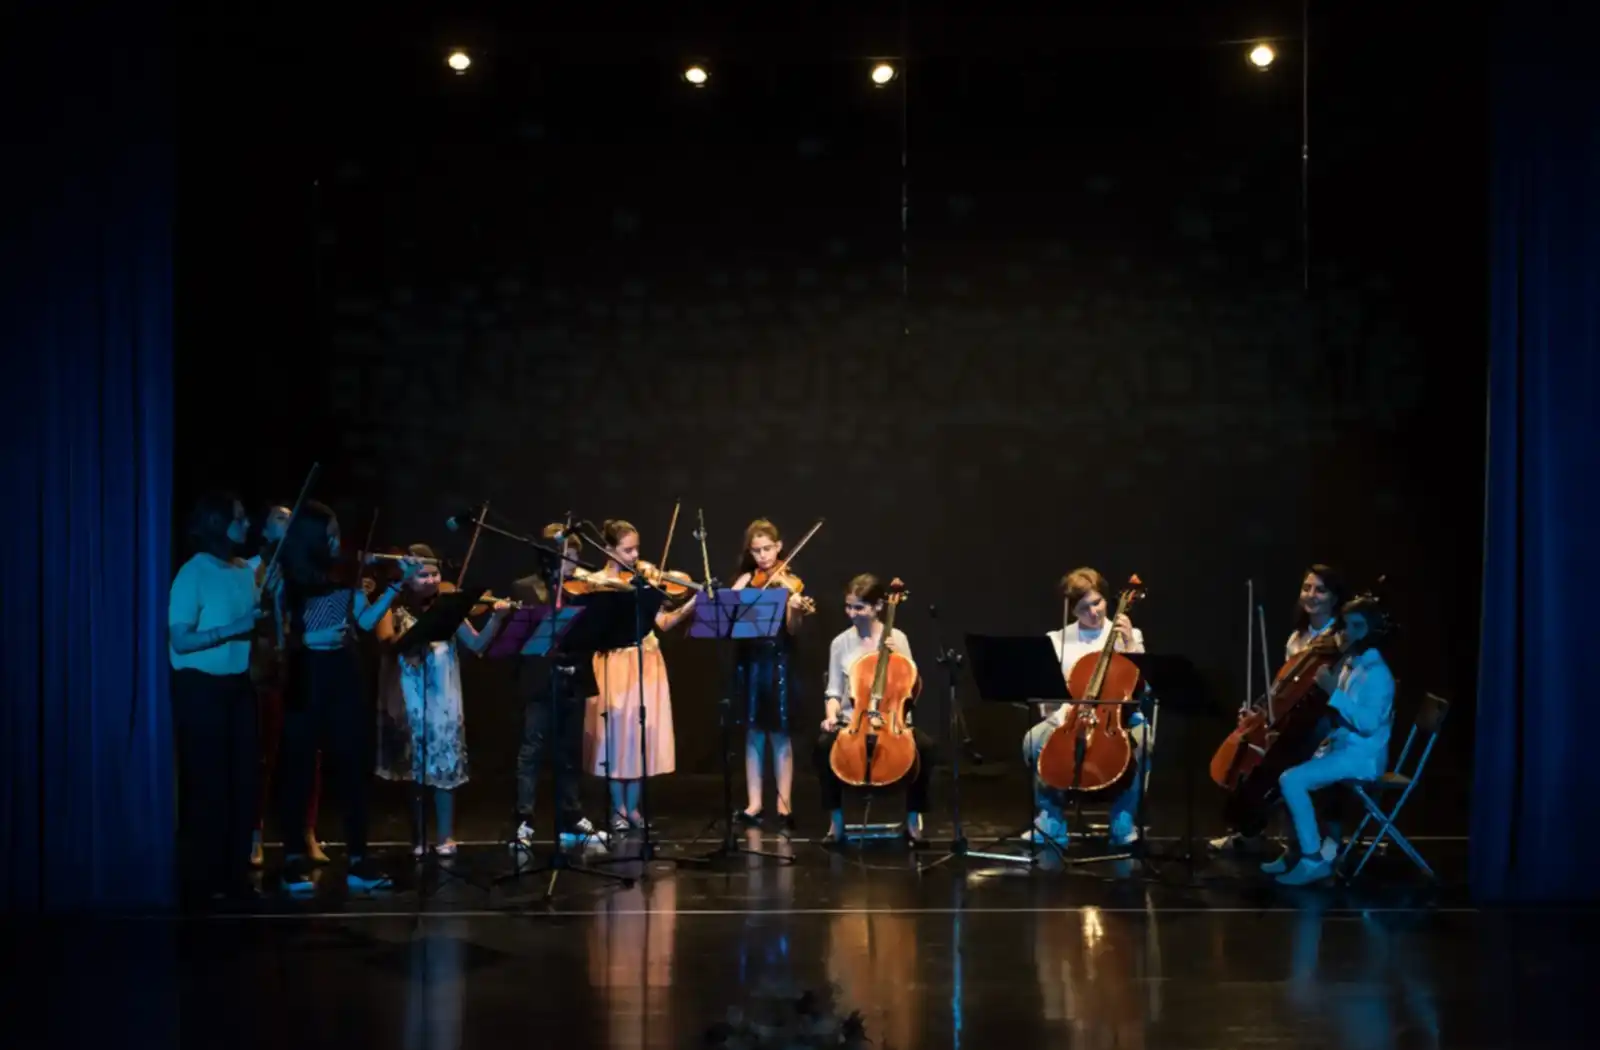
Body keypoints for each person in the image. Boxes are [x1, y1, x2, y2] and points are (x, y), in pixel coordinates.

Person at [273, 499, 416, 892]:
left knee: (354, 767)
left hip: (343, 672)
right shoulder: (286, 578)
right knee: (299, 768)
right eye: (331, 534)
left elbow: (365, 621)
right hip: (305, 673)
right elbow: (278, 637)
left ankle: (358, 858)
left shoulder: (344, 575)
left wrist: (396, 585)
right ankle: (293, 858)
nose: (338, 541)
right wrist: (313, 636)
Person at [373, 544, 510, 856]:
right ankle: (418, 838)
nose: (433, 580)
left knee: (445, 767)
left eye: (435, 574)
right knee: (415, 770)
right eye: (423, 575)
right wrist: (419, 630)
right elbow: (386, 644)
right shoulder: (393, 607)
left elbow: (477, 644)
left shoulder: (447, 607)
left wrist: (497, 620)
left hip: (444, 698)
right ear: (407, 578)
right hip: (409, 698)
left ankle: (445, 836)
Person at [168, 492, 267, 902]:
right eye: (239, 518)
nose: (246, 524)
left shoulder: (243, 570)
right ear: (217, 524)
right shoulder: (193, 572)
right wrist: (234, 628)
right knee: (209, 784)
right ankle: (205, 877)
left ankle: (234, 873)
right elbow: (180, 639)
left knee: (243, 781)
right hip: (201, 688)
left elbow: (253, 616)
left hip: (238, 687)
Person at [1210, 564, 1348, 855]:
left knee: (1278, 763)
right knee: (1255, 756)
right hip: (1293, 721)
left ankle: (1305, 843)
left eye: (1320, 590)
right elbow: (1282, 690)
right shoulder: (1297, 639)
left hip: (1327, 724)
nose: (1311, 595)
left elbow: (1342, 690)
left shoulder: (1340, 641)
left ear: (1335, 598)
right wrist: (1260, 715)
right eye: (1307, 588)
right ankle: (1251, 831)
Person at [1264, 592, 1395, 885]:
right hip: (1342, 747)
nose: (1347, 633)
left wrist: (1332, 691)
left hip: (1362, 757)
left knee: (1292, 780)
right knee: (1284, 767)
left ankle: (1312, 860)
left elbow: (1367, 724)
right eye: (1346, 625)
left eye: (1357, 626)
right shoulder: (1353, 664)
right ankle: (1297, 852)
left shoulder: (1377, 674)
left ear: (1373, 630)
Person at [581, 519, 699, 833]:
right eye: (627, 550)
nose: (635, 556)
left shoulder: (645, 580)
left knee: (639, 737)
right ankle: (617, 808)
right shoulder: (597, 583)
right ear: (608, 550)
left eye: (636, 549)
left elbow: (664, 623)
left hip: (646, 660)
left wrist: (693, 603)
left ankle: (632, 808)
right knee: (614, 738)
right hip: (613, 662)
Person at [1022, 567, 1147, 848]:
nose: (1093, 612)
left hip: (1119, 717)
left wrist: (1129, 645)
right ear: (1072, 610)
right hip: (1070, 716)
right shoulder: (1058, 639)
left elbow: (1144, 685)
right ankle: (1051, 820)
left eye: (1097, 603)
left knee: (1143, 742)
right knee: (1033, 740)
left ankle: (1123, 820)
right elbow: (1048, 696)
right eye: (1083, 608)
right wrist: (1060, 709)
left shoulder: (1129, 634)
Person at [815, 574, 936, 846]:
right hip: (853, 721)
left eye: (859, 607)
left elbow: (911, 685)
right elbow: (833, 692)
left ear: (879, 606)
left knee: (926, 748)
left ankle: (913, 820)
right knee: (823, 747)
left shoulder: (898, 638)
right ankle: (836, 822)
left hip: (892, 722)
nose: (852, 613)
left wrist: (897, 656)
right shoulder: (840, 643)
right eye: (848, 606)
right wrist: (831, 716)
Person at [511, 524, 607, 848]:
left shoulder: (583, 589)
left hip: (573, 676)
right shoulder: (525, 588)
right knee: (532, 750)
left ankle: (571, 816)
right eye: (567, 558)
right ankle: (524, 819)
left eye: (576, 558)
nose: (572, 565)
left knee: (570, 752)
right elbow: (519, 638)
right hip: (540, 678)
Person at [245, 504, 326, 868]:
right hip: (265, 671)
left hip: (299, 666)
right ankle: (254, 834)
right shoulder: (249, 569)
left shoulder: (302, 570)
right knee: (263, 756)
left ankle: (307, 832)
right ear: (264, 530)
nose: (288, 522)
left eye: (292, 518)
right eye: (280, 517)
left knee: (309, 755)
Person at [730, 519, 814, 830]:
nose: (763, 556)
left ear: (779, 547)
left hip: (779, 660)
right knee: (753, 732)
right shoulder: (746, 580)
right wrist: (735, 595)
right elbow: (729, 618)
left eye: (768, 549)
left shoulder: (791, 582)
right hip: (750, 661)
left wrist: (795, 608)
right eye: (757, 551)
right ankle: (754, 803)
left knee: (780, 733)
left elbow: (792, 629)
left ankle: (784, 803)